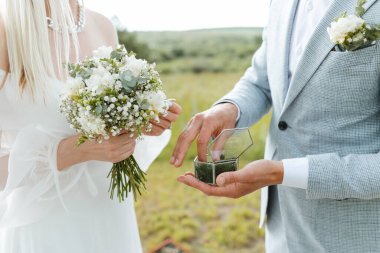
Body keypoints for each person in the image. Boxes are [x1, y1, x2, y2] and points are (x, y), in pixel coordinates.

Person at [172, 0, 380, 252]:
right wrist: (229, 108)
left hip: (354, 234)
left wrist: (280, 172)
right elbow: (261, 80)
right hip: (281, 224)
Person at [0, 0, 181, 252]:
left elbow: (109, 127)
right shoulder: (7, 29)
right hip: (45, 228)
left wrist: (139, 122)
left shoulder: (103, 26)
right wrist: (73, 151)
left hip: (110, 214)